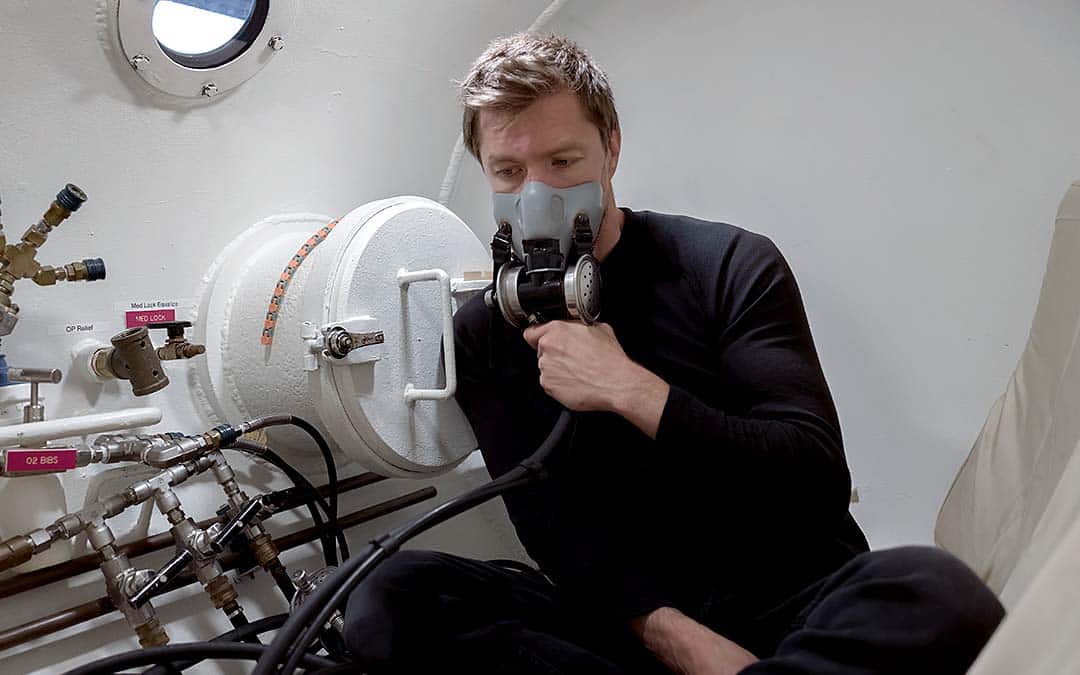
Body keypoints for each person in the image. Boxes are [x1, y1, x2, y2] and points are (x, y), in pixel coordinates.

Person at [344, 33, 1004, 674]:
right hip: (634, 625)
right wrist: (680, 641)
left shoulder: (728, 264)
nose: (536, 194)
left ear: (611, 149)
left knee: (937, 591)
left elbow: (814, 482)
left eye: (563, 162)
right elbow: (557, 533)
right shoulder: (483, 331)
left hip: (788, 593)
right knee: (391, 596)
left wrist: (633, 389)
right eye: (509, 172)